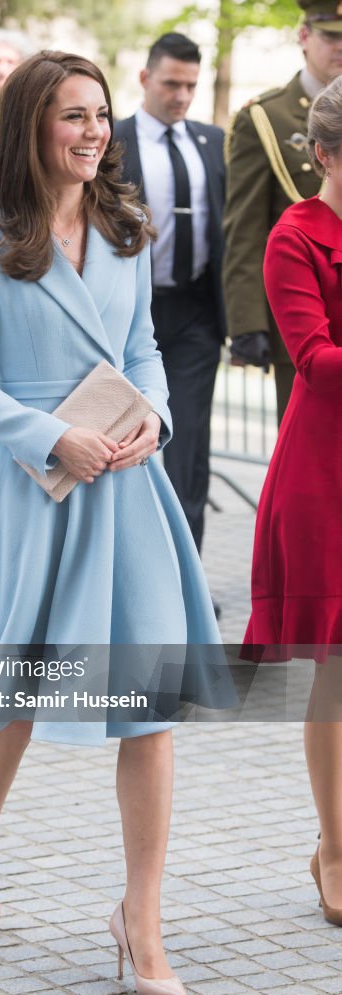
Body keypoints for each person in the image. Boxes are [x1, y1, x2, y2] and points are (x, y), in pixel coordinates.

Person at [0, 51, 225, 995]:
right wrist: (50, 439)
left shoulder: (123, 227)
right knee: (12, 694)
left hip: (126, 486)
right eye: (73, 115)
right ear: (31, 124)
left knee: (147, 711)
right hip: (31, 488)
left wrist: (151, 416)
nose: (93, 132)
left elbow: (144, 347)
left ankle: (140, 917)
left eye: (100, 115)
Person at [242, 75, 342, 926]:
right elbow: (313, 360)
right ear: (322, 156)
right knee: (337, 669)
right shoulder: (292, 236)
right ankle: (333, 848)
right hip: (325, 467)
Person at [114, 33, 226, 559]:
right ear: (145, 79)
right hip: (129, 314)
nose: (181, 96)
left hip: (197, 312)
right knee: (120, 440)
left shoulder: (212, 141)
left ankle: (186, 574)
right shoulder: (112, 142)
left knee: (188, 450)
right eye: (171, 84)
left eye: (191, 86)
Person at [223, 0, 342, 424]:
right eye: (331, 36)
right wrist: (246, 322)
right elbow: (245, 225)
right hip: (299, 308)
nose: (340, 47)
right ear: (305, 37)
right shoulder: (266, 116)